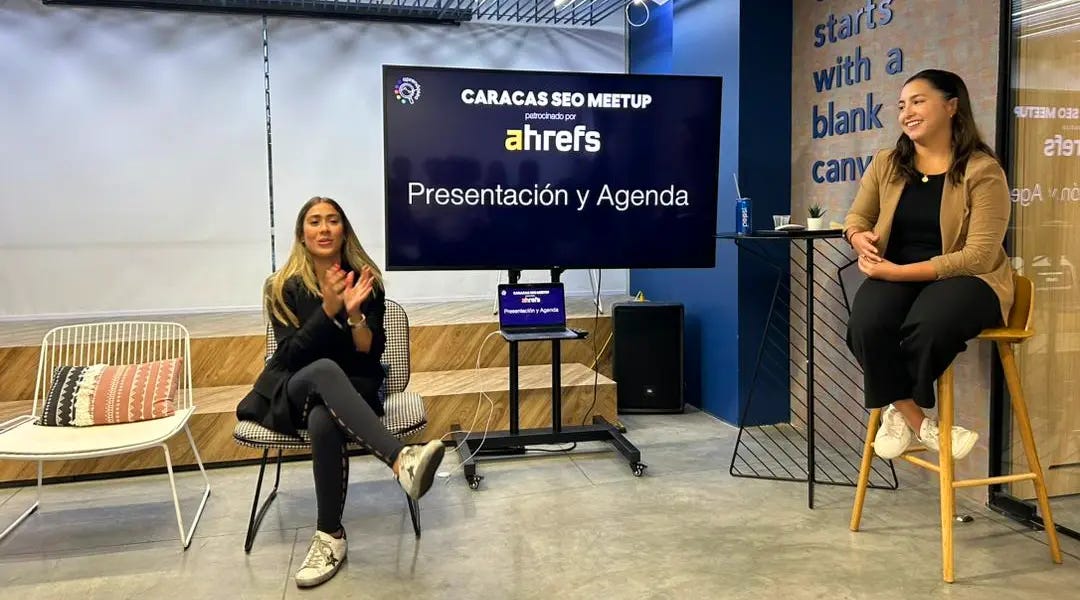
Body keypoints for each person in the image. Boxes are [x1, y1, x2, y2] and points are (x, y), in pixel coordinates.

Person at [236, 196, 446, 588]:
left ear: (344, 230)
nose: (324, 228)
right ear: (302, 233)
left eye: (333, 220)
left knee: (324, 420)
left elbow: (371, 352)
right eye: (315, 221)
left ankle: (329, 537)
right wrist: (327, 311)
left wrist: (353, 315)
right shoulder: (281, 287)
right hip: (293, 389)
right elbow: (288, 358)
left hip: (353, 390)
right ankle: (402, 461)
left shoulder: (367, 280)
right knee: (323, 372)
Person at [843, 69, 1013, 462]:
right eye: (902, 105)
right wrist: (859, 238)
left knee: (930, 324)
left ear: (952, 106)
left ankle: (896, 404)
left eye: (918, 101)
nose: (907, 112)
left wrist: (897, 273)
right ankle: (916, 419)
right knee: (866, 325)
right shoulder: (887, 163)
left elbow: (979, 256)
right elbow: (857, 218)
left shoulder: (982, 170)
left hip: (968, 277)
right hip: (897, 270)